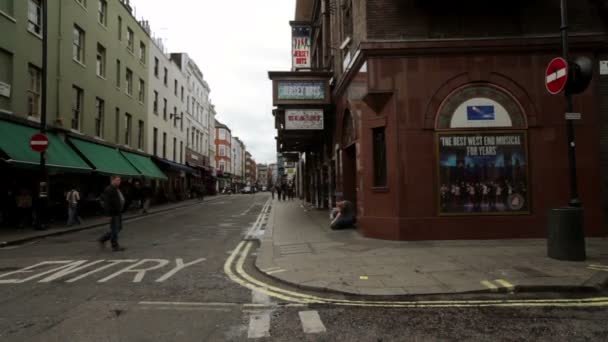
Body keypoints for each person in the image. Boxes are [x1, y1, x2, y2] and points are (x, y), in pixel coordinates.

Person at [99, 176, 126, 252]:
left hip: (118, 212)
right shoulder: (109, 189)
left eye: (120, 180)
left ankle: (103, 239)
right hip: (113, 213)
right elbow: (107, 203)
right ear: (112, 180)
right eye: (117, 180)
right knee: (115, 229)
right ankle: (115, 246)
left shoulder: (116, 189)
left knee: (119, 228)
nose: (119, 181)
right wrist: (109, 215)